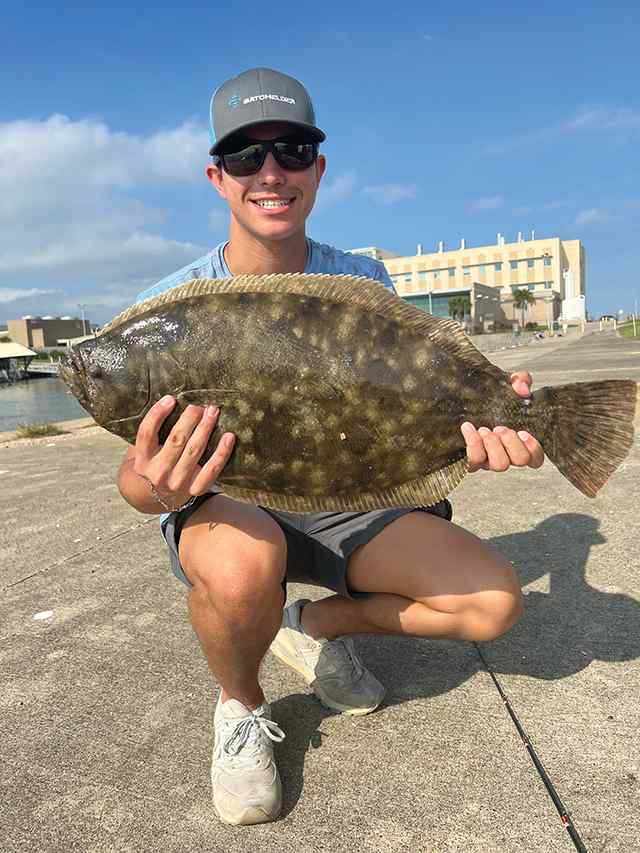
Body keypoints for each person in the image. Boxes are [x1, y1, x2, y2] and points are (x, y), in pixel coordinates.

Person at [116, 68, 544, 826]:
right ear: (217, 177)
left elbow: (405, 402)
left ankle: (310, 628)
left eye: (291, 151)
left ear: (318, 169)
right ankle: (240, 706)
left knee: (493, 602)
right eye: (246, 156)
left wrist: (489, 420)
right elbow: (135, 481)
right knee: (241, 569)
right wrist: (159, 484)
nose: (270, 172)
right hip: (233, 503)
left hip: (349, 496)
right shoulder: (169, 309)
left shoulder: (361, 279)